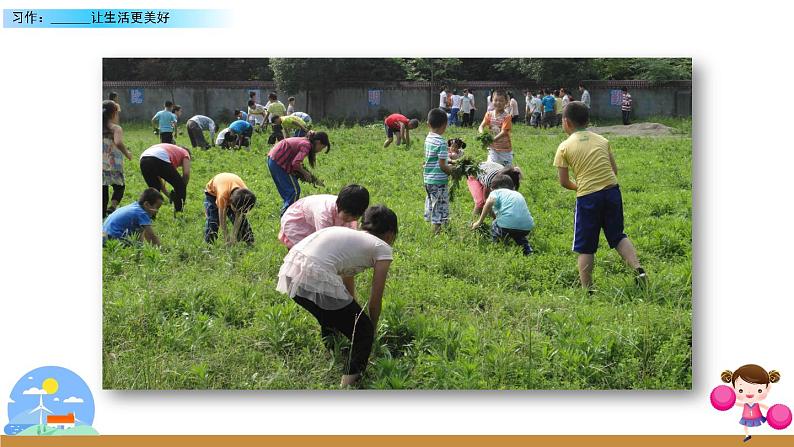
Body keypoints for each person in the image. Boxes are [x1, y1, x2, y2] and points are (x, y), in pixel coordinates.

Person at [276, 205, 397, 387]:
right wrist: (371, 329)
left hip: (291, 273)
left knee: (331, 316)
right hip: (313, 275)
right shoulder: (383, 247)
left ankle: (334, 351)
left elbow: (346, 277)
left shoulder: (349, 236)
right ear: (389, 234)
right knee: (362, 332)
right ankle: (347, 385)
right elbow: (375, 299)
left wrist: (351, 310)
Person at [553, 101, 646, 290]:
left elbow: (563, 182)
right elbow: (614, 170)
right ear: (587, 120)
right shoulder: (602, 140)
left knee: (586, 245)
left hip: (588, 197)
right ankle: (638, 268)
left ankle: (587, 290)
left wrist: (579, 186)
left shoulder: (564, 147)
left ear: (566, 122)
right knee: (617, 235)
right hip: (612, 191)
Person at [279, 184, 370, 249]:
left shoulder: (349, 210)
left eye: (355, 217)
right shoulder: (324, 214)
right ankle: (293, 269)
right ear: (339, 205)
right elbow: (324, 240)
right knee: (304, 250)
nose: (350, 219)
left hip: (314, 221)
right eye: (348, 215)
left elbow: (350, 235)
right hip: (298, 221)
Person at [267, 132, 331, 215]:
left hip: (273, 159)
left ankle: (286, 211)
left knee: (288, 191)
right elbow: (295, 163)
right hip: (279, 161)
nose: (320, 151)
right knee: (294, 191)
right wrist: (305, 173)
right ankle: (287, 215)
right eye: (321, 148)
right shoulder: (307, 145)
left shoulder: (305, 142)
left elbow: (296, 163)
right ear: (318, 142)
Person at [471, 175, 534, 256]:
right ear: (512, 187)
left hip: (507, 225)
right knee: (517, 234)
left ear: (493, 188)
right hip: (526, 227)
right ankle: (527, 250)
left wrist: (479, 222)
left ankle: (496, 247)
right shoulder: (517, 194)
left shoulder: (496, 192)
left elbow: (489, 202)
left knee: (495, 223)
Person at [720, 365, 781, 442]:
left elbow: (766, 408)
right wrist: (728, 401)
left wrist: (774, 412)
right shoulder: (745, 404)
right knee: (745, 426)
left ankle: (762, 436)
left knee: (760, 425)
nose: (749, 392)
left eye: (759, 390)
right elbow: (736, 404)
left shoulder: (757, 404)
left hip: (757, 417)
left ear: (767, 388)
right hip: (746, 417)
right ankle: (747, 435)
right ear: (733, 388)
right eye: (741, 390)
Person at [423, 108, 455, 235]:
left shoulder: (428, 138)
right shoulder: (441, 142)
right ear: (445, 125)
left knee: (432, 201)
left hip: (428, 179)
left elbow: (434, 159)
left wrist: (450, 162)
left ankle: (443, 225)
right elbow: (442, 165)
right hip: (438, 180)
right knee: (439, 204)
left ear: (428, 124)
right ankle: (436, 232)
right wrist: (452, 172)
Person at [204, 173, 257, 245]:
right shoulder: (222, 196)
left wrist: (234, 237)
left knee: (243, 222)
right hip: (212, 193)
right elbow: (222, 219)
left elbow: (239, 217)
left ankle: (249, 241)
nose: (238, 212)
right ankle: (209, 243)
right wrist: (226, 237)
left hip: (230, 188)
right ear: (230, 202)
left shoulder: (245, 196)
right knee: (213, 220)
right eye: (237, 210)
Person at [139, 143, 191, 213]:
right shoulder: (185, 152)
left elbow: (160, 183)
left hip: (143, 159)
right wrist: (182, 189)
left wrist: (169, 196)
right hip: (159, 157)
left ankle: (148, 216)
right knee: (180, 185)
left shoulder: (170, 151)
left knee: (154, 190)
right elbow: (186, 174)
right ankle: (179, 213)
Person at [102, 100, 133, 217]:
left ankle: (102, 212)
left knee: (102, 188)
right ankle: (112, 207)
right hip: (113, 163)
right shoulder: (116, 128)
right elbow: (118, 142)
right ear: (114, 113)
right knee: (120, 186)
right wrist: (127, 153)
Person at [478, 89, 514, 166]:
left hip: (505, 150)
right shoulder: (489, 114)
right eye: (496, 100)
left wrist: (491, 140)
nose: (498, 103)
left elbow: (504, 132)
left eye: (501, 101)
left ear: (506, 102)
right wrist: (482, 135)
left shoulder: (507, 116)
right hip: (493, 149)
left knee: (506, 171)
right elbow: (481, 126)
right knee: (491, 166)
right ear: (492, 101)